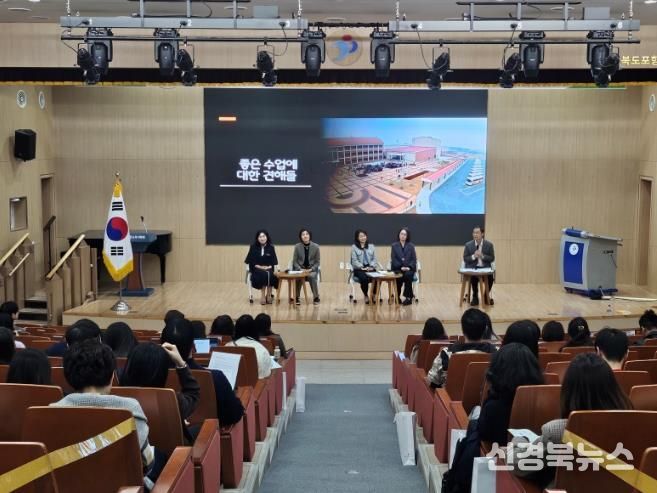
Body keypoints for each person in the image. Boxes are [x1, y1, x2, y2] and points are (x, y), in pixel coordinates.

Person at [510, 353, 633, 489]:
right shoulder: (635, 424)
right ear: (613, 387)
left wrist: (519, 440)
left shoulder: (559, 432)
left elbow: (517, 463)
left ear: (569, 391)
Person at [51, 340, 159, 488]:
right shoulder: (129, 408)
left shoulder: (51, 411)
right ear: (112, 376)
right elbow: (147, 464)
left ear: (68, 376)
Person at [443, 343, 544, 493]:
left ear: (498, 370)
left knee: (474, 425)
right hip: (534, 461)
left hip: (499, 458)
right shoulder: (544, 401)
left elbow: (484, 433)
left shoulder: (495, 406)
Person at [161, 317, 244, 427]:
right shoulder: (216, 377)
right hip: (209, 435)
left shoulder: (151, 377)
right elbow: (233, 415)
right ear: (194, 346)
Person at [121, 342, 200, 422]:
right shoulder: (171, 400)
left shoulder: (118, 398)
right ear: (162, 372)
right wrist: (181, 363)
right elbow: (193, 394)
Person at [427, 308, 497, 388]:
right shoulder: (497, 354)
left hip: (450, 396)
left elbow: (432, 381)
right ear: (485, 330)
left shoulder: (446, 354)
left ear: (462, 330)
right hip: (484, 396)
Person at [226, 314, 272, 379]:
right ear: (254, 330)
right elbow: (266, 374)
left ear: (235, 330)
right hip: (258, 384)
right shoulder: (262, 350)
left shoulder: (227, 346)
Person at [462, 226, 495, 306]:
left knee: (490, 278)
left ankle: (485, 296)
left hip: (485, 269)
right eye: (474, 233)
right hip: (473, 268)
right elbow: (465, 258)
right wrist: (474, 256)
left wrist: (482, 256)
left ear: (482, 234)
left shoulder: (489, 245)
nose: (475, 234)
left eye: (477, 233)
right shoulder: (468, 245)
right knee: (473, 277)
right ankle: (475, 297)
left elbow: (492, 258)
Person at [244, 230, 278, 305]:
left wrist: (268, 267)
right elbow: (251, 261)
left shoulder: (271, 247)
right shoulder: (253, 247)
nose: (262, 238)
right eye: (260, 237)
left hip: (268, 268)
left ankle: (268, 295)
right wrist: (261, 267)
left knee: (271, 275)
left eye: (263, 236)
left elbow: (274, 261)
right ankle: (263, 296)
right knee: (264, 274)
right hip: (256, 268)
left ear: (267, 237)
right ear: (257, 238)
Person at [292, 228, 321, 305]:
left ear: (309, 235)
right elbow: (294, 261)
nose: (305, 236)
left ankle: (316, 297)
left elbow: (317, 262)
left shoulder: (316, 247)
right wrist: (300, 269)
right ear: (300, 237)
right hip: (300, 269)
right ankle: (296, 297)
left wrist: (311, 269)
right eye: (303, 234)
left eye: (307, 234)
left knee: (312, 276)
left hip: (311, 270)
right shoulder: (297, 246)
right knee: (298, 277)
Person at [351, 229, 379, 305]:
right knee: (364, 278)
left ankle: (373, 294)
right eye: (361, 236)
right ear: (357, 238)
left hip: (370, 267)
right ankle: (366, 295)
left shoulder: (371, 246)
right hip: (359, 268)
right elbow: (354, 261)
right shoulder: (354, 247)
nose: (363, 238)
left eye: (364, 236)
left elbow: (374, 259)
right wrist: (363, 267)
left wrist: (371, 266)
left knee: (377, 277)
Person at [391, 227, 417, 306]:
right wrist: (401, 267)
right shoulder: (394, 246)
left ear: (407, 236)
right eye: (401, 234)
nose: (403, 236)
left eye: (405, 234)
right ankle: (397, 297)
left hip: (409, 268)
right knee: (399, 277)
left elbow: (414, 259)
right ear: (399, 235)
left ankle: (408, 298)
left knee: (408, 275)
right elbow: (393, 259)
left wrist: (409, 267)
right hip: (398, 268)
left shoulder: (411, 246)